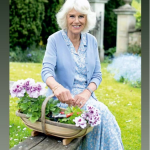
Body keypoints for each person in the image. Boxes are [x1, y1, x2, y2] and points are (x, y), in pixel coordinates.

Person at [41, 0, 124, 149]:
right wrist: (56, 87)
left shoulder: (91, 41)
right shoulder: (54, 40)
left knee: (103, 116)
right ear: (65, 18)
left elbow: (97, 75)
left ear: (87, 19)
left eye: (81, 16)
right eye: (72, 16)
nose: (77, 21)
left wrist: (86, 93)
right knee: (101, 113)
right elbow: (46, 71)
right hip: (63, 100)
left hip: (85, 98)